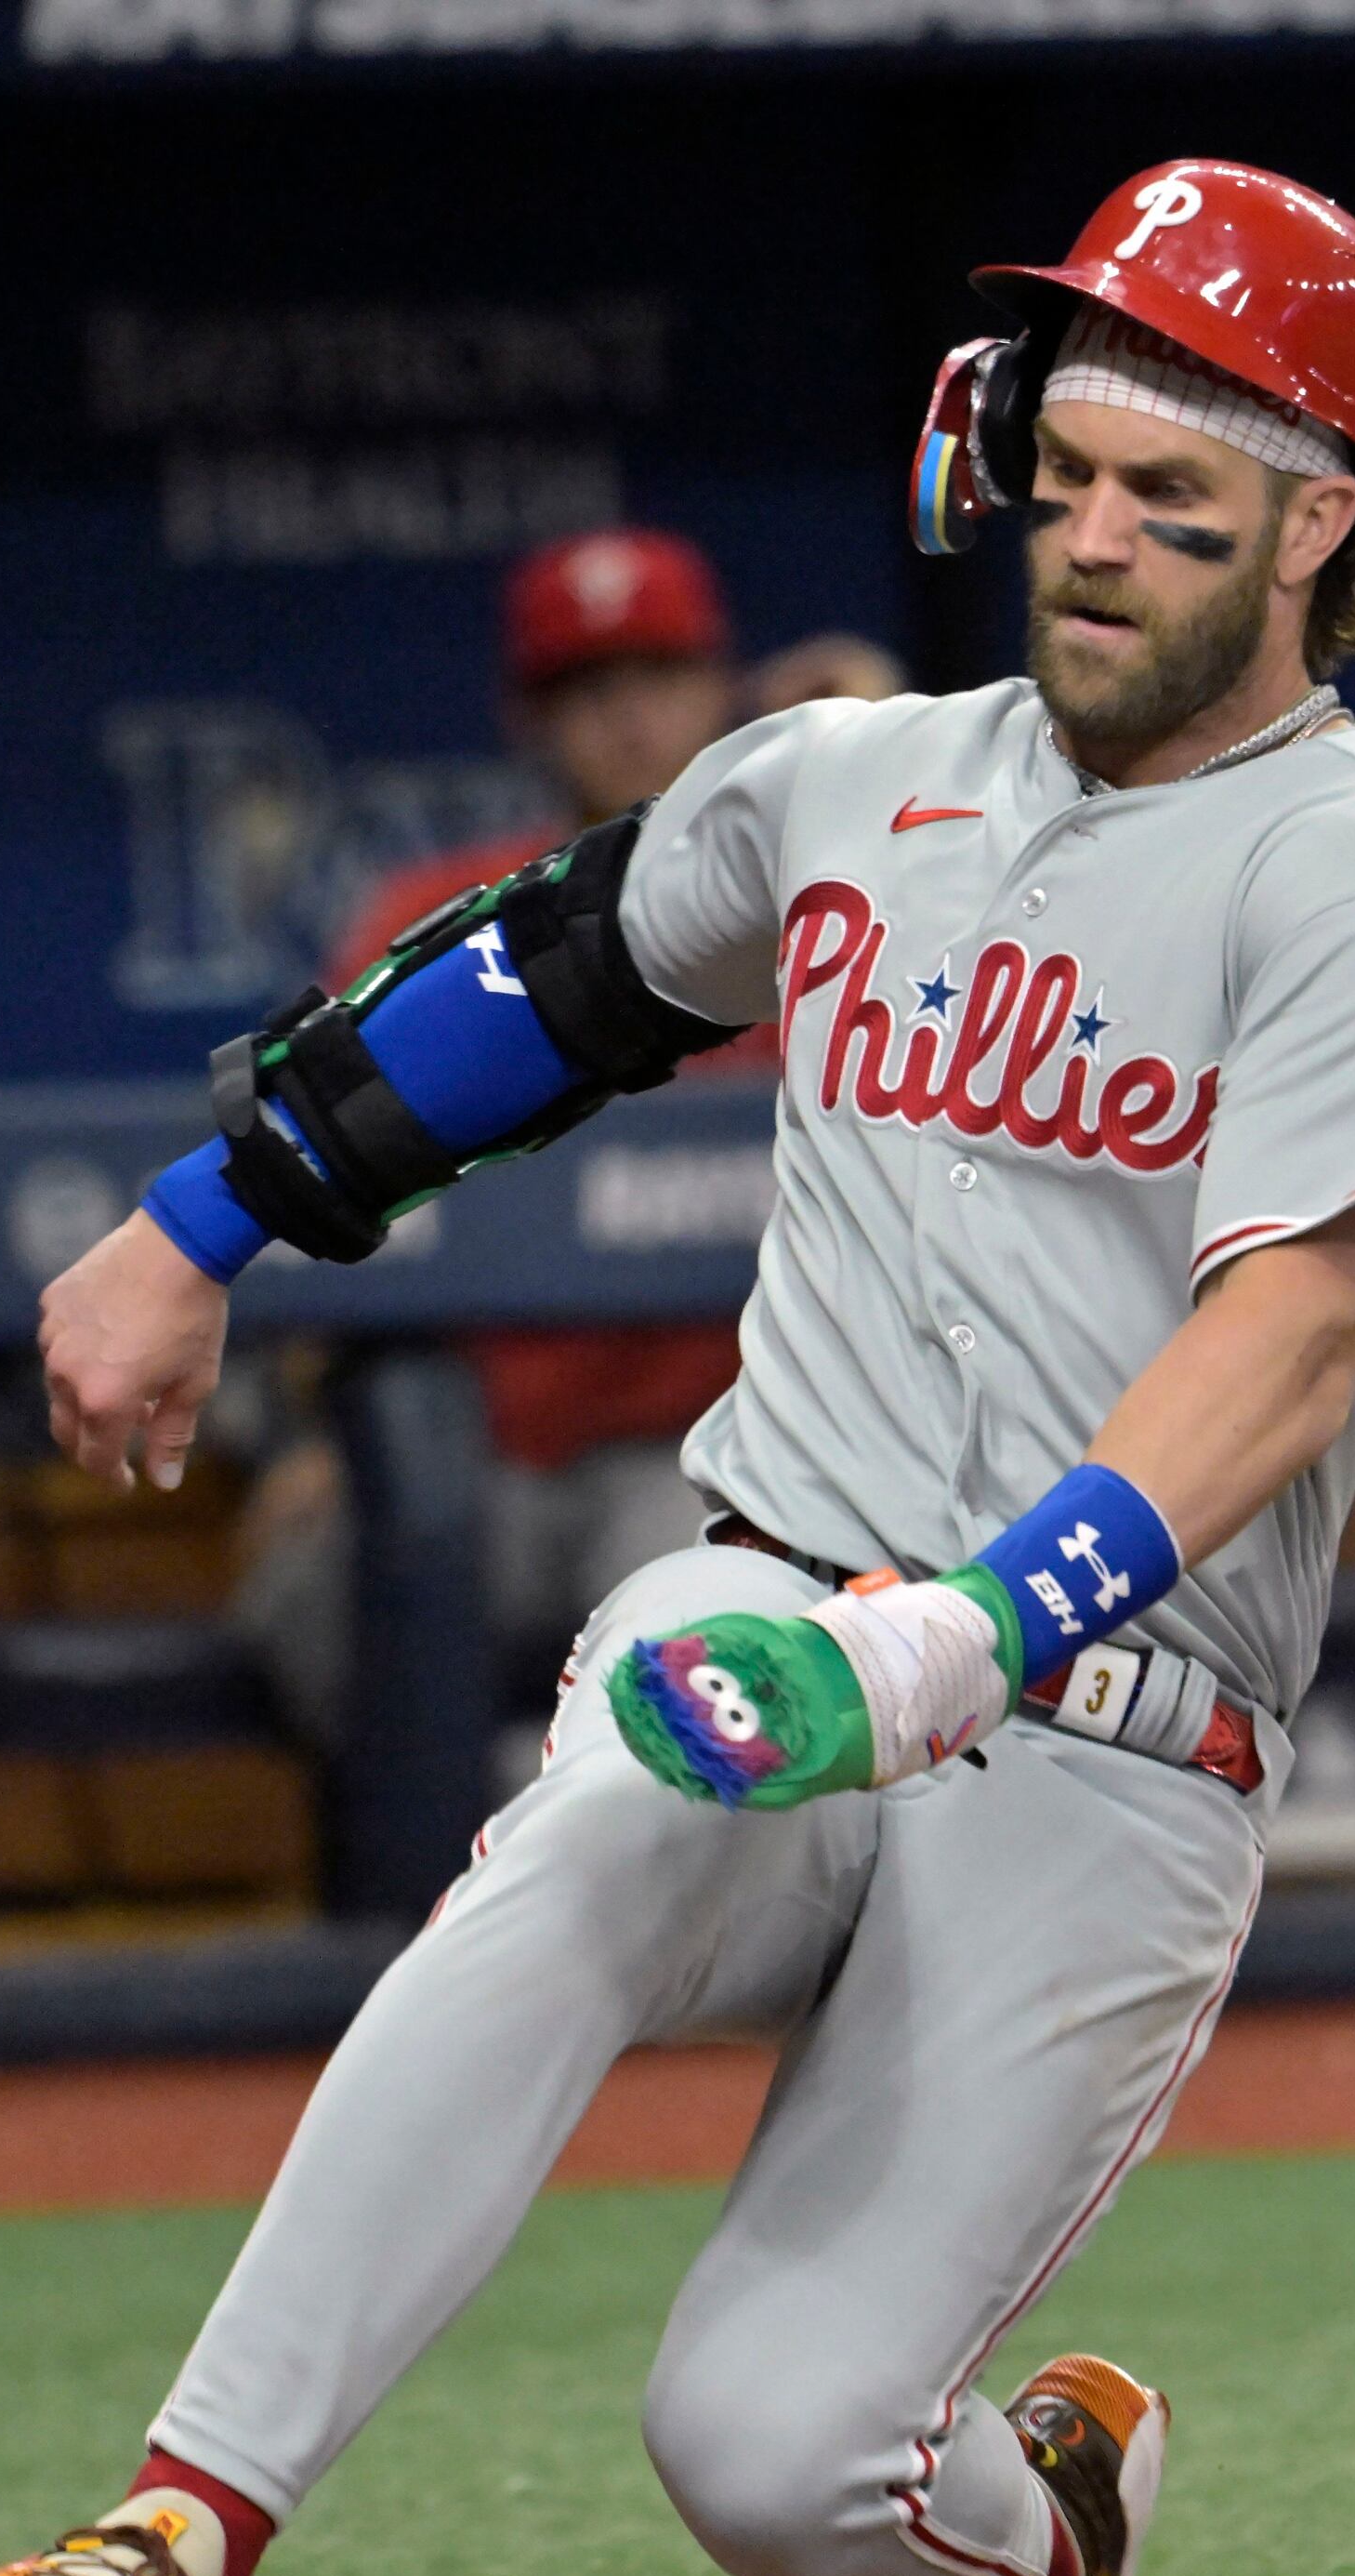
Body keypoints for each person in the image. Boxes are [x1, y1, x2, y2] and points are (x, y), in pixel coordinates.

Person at [0, 159, 1355, 2576]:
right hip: (769, 1601)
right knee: (614, 1787)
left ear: (1315, 530)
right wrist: (195, 1230)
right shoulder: (852, 780)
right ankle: (166, 2545)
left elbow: (1296, 1327)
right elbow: (534, 986)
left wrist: (969, 1634)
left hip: (1103, 1737)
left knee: (768, 2457)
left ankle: (1028, 2566)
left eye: (1175, 504)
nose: (1092, 541)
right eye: (1075, 475)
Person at [230, 527, 900, 1751]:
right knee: (337, 1572)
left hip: (709, 1450)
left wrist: (885, 750)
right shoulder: (435, 915)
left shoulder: (824, 896)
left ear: (724, 685)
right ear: (526, 718)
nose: (631, 718)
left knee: (688, 1618)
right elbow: (311, 1171)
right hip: (471, 1445)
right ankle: (454, 1890)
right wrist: (305, 1432)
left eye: (660, 676)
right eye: (586, 689)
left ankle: (607, 1890)